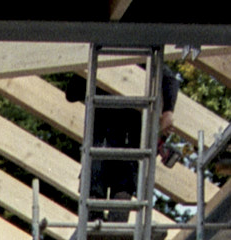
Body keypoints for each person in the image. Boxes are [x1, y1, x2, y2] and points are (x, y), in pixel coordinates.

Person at [65, 64, 180, 222]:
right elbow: (71, 93)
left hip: (126, 147)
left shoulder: (143, 60)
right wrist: (88, 70)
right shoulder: (100, 59)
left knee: (118, 208)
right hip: (101, 145)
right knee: (93, 206)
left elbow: (170, 80)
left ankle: (108, 233)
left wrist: (168, 112)